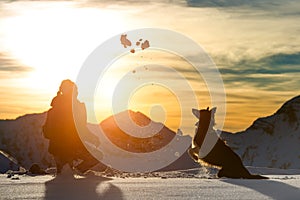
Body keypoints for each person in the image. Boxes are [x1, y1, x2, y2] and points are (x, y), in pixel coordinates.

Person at [43, 79, 102, 175]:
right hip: (70, 148)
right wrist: (92, 138)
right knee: (97, 156)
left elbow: (46, 132)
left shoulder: (54, 109)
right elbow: (80, 129)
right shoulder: (75, 108)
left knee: (64, 174)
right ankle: (76, 172)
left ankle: (71, 172)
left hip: (58, 148)